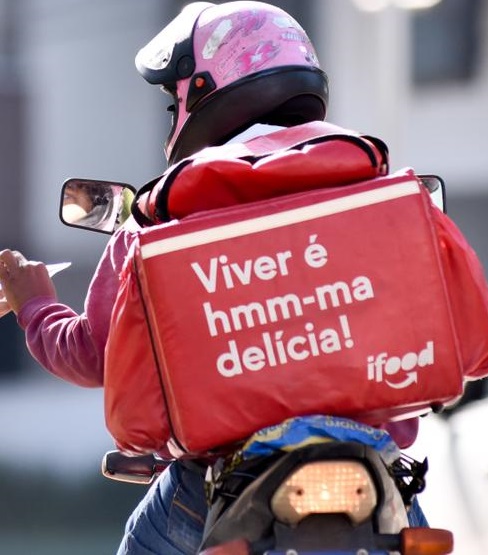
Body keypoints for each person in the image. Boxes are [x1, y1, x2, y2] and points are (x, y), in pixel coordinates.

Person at [0, 2, 428, 553]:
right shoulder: (371, 194)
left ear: (202, 91)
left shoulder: (162, 219)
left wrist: (35, 304)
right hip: (372, 473)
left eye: (172, 101)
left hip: (220, 481)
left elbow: (93, 355)